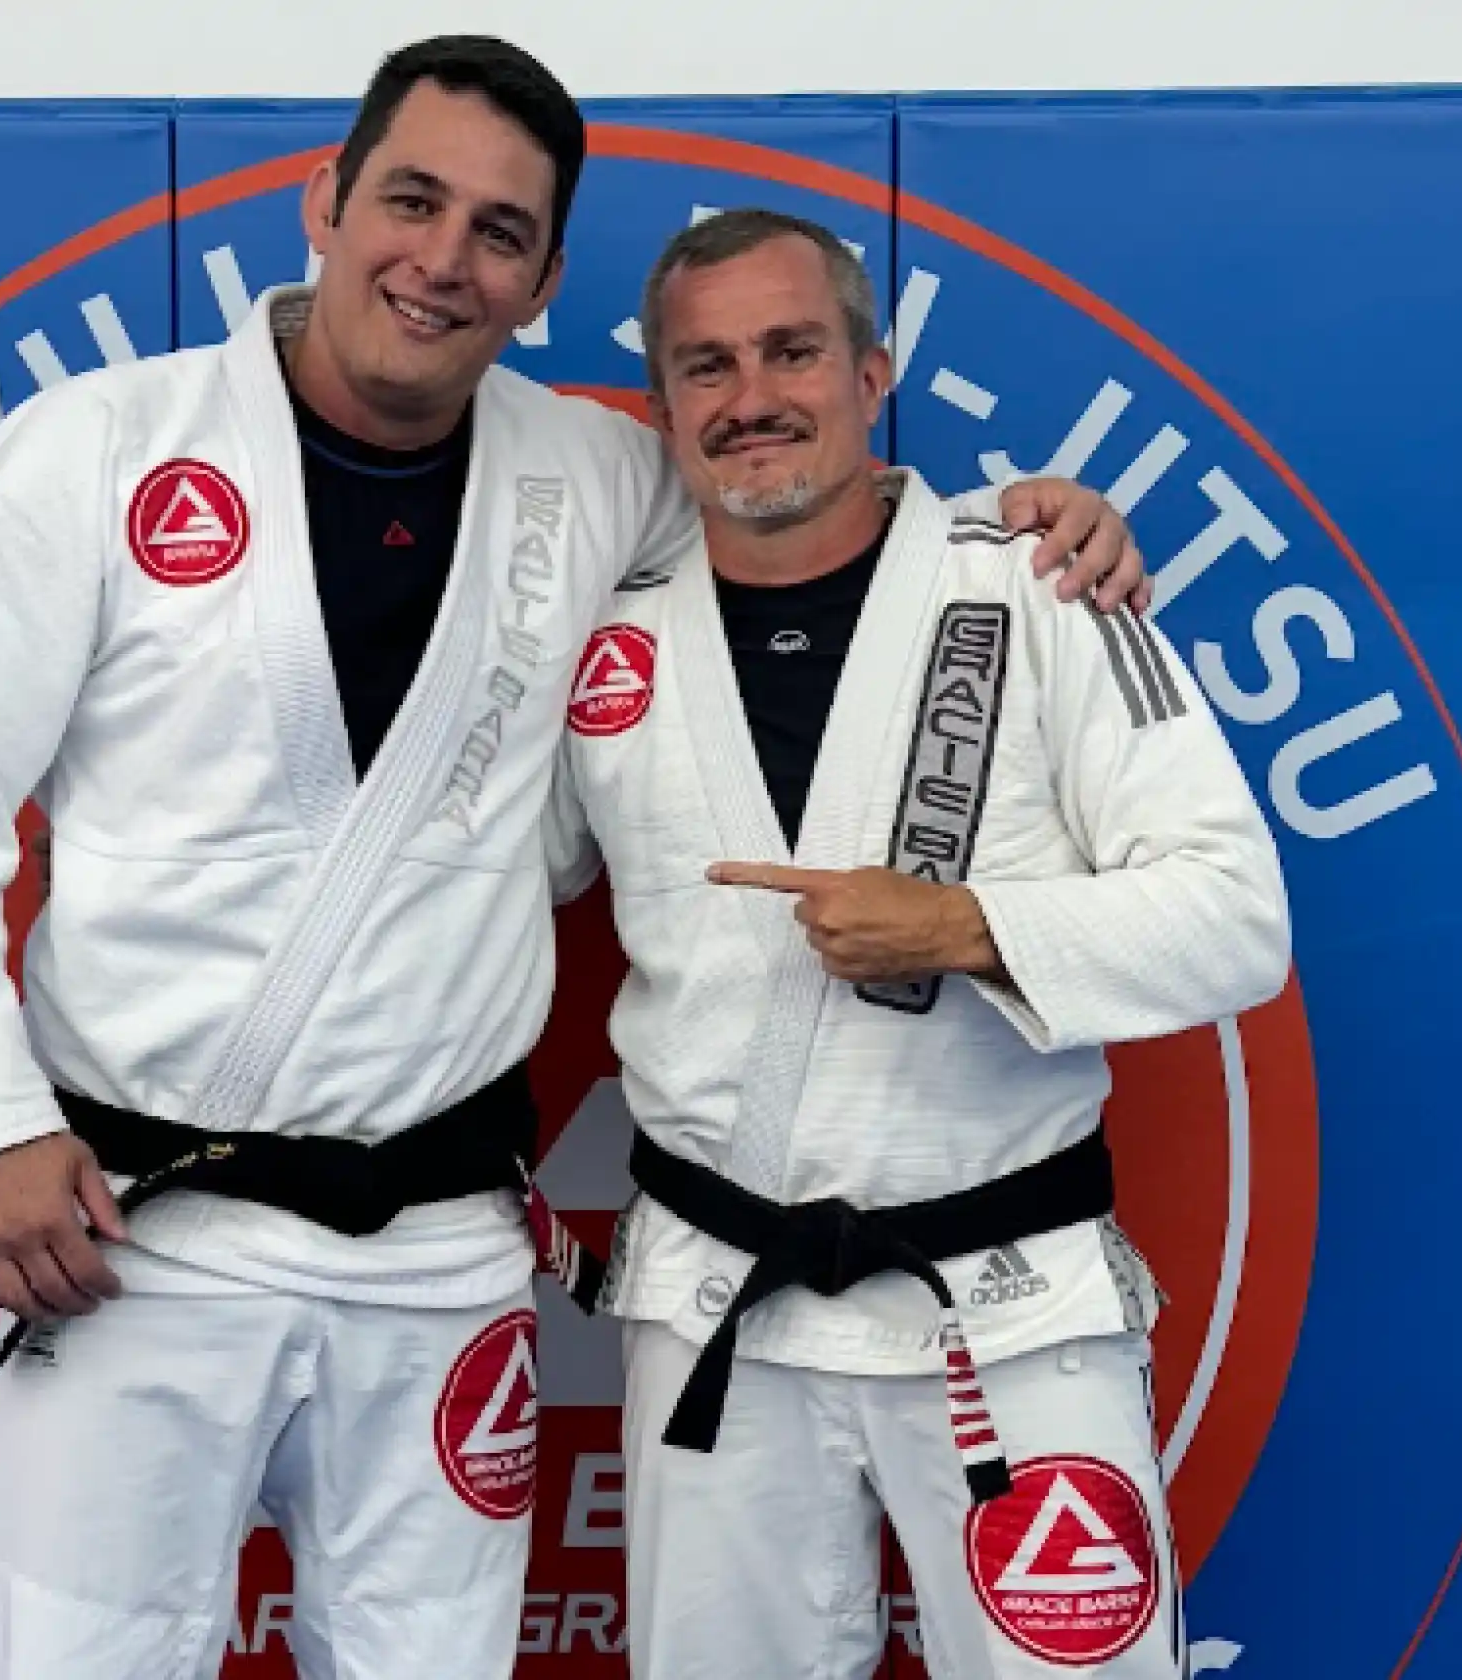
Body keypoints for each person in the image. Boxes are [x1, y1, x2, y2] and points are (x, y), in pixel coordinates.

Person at [0, 36, 1148, 1680]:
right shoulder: (97, 449)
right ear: (323, 200)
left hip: (442, 1252)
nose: (445, 259)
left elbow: (804, 502)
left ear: (540, 286)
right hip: (136, 1230)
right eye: (412, 200)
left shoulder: (597, 475)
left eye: (501, 233)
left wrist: (1021, 528)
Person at [549, 206, 1290, 1679]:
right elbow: (456, 896)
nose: (751, 396)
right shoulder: (604, 641)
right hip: (714, 1302)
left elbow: (1236, 917)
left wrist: (968, 926)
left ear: (872, 375)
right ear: (661, 407)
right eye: (706, 366)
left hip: (1007, 1301)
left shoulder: (1043, 584)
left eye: (791, 351)